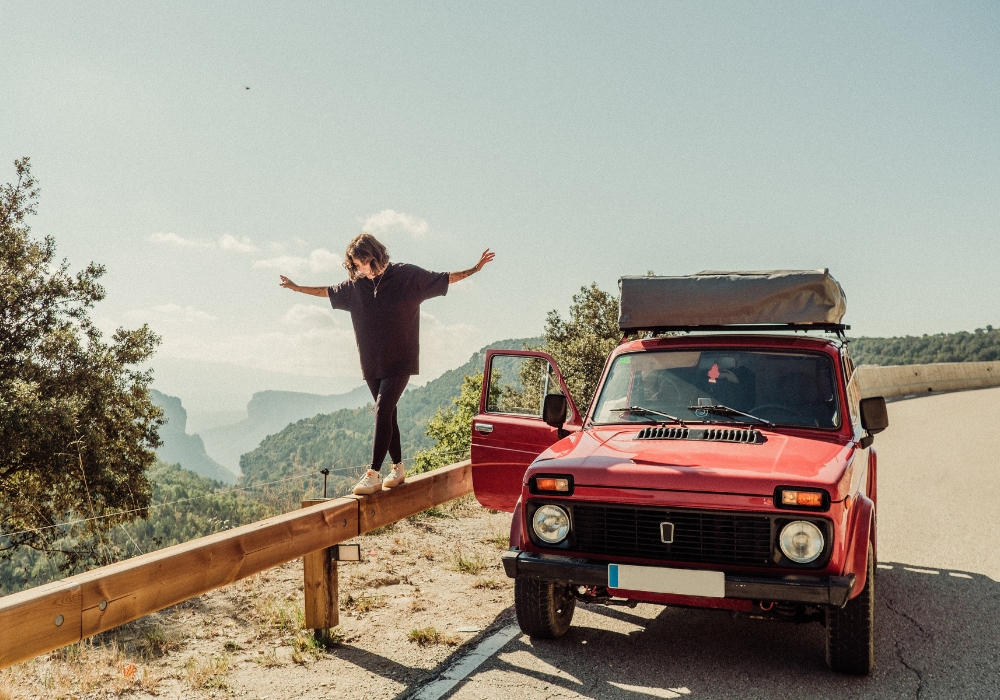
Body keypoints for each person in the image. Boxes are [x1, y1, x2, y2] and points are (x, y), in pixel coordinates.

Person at [279, 233, 494, 495]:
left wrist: (475, 268)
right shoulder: (355, 287)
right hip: (371, 363)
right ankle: (398, 468)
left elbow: (445, 277)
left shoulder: (407, 276)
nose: (361, 269)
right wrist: (296, 287)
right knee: (388, 413)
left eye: (364, 263)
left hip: (401, 360)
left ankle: (373, 473)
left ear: (376, 255)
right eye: (356, 265)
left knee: (382, 410)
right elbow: (326, 291)